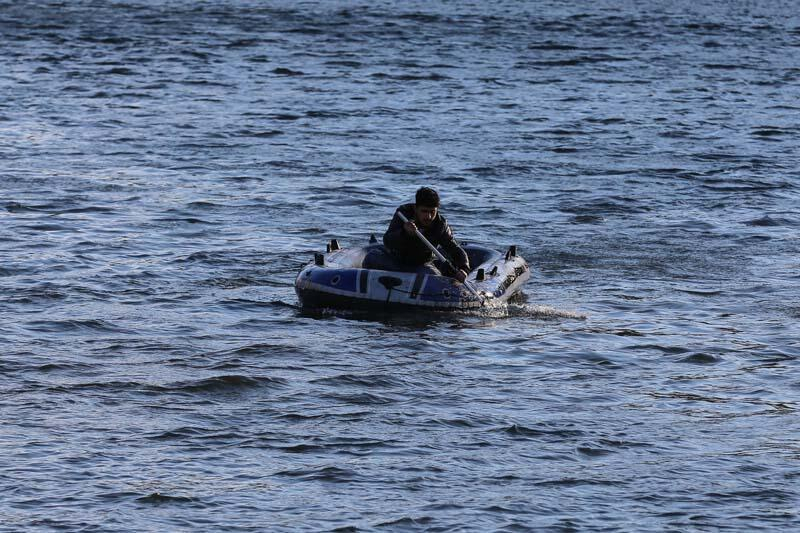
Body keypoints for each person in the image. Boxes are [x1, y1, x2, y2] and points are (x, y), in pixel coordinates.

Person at [378, 187, 470, 282]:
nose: (429, 216)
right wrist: (404, 233)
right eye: (424, 211)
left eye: (432, 212)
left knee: (435, 279)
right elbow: (387, 241)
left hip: (421, 265)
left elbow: (454, 248)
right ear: (416, 208)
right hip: (395, 261)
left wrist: (464, 269)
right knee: (371, 257)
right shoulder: (403, 214)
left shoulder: (440, 225)